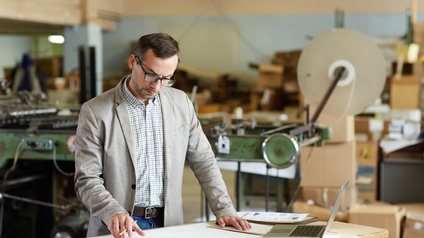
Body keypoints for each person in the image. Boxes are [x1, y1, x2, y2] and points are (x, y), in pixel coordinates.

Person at [74, 32, 251, 237]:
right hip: (118, 227)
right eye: (151, 74)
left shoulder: (181, 103)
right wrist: (112, 211)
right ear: (133, 61)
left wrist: (224, 208)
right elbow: (86, 178)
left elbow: (203, 160)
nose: (157, 86)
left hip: (169, 223)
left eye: (166, 78)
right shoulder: (96, 111)